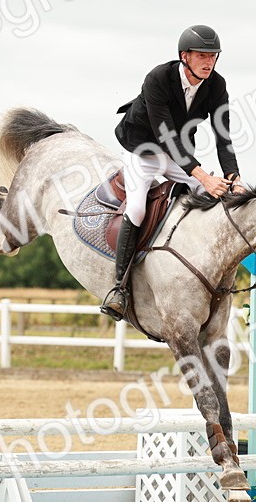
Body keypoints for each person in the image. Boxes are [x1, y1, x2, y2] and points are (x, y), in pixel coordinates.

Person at [100, 24, 243, 320]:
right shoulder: (159, 78)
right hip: (142, 147)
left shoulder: (216, 85)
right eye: (202, 55)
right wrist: (203, 175)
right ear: (184, 56)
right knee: (138, 208)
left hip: (179, 153)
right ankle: (119, 288)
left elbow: (223, 135)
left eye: (213, 56)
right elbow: (166, 135)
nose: (209, 62)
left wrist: (233, 176)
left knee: (209, 195)